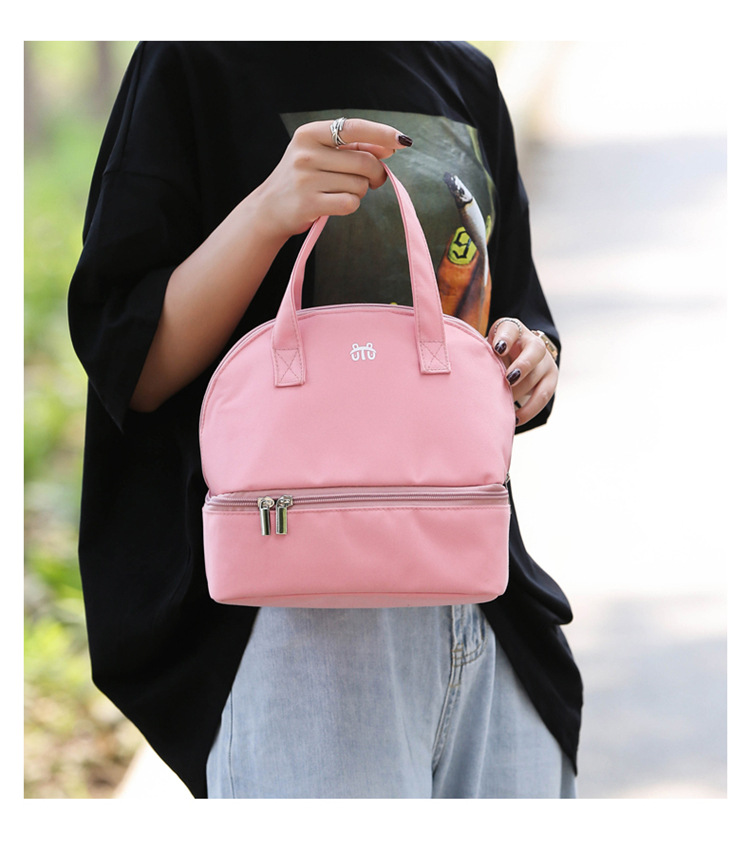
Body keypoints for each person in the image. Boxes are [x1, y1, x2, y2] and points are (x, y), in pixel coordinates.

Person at [68, 41, 582, 798]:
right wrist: (268, 211)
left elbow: (507, 306)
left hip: (486, 602)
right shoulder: (193, 57)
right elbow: (131, 367)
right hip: (295, 624)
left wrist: (529, 355)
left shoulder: (462, 72)